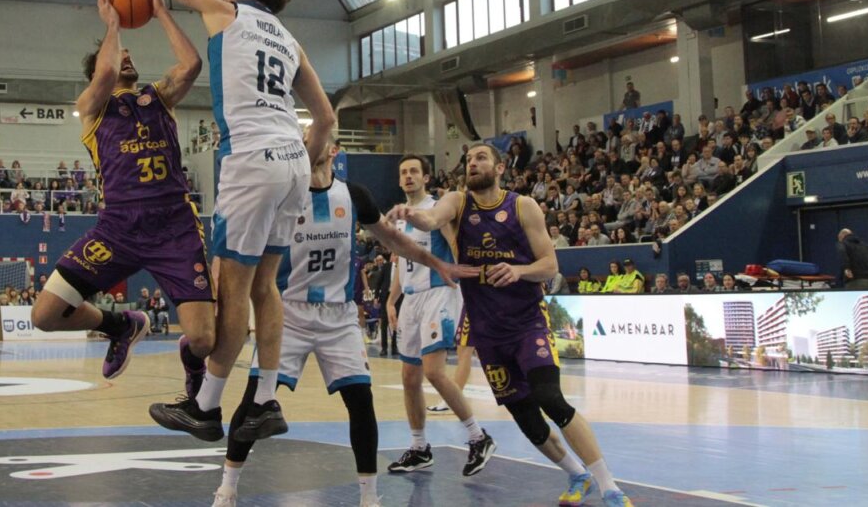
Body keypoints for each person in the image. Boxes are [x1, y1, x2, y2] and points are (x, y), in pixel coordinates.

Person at [85, 0, 336, 443]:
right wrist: (309, 170)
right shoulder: (293, 43)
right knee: (267, 287)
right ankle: (265, 399)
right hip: (292, 155)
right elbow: (328, 119)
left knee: (232, 288)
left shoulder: (228, 12)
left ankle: (206, 406)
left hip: (251, 159)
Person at [211, 144, 467, 507]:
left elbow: (392, 238)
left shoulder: (353, 194)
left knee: (361, 400)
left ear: (332, 149)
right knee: (255, 398)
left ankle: (368, 496)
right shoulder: (283, 193)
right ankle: (227, 488)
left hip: (339, 315)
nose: (307, 145)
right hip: (289, 314)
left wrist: (434, 262)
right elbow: (238, 240)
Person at [391, 143, 637, 507]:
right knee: (525, 417)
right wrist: (409, 214)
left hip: (527, 323)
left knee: (549, 398)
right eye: (469, 159)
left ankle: (610, 487)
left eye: (481, 158)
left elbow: (550, 265)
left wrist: (520, 270)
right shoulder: (458, 202)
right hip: (487, 331)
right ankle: (576, 473)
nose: (473, 163)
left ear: (500, 167)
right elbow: (429, 219)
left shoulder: (523, 206)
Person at [32, 0, 217, 403]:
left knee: (205, 339)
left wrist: (161, 11)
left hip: (173, 226)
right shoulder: (92, 107)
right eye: (120, 54)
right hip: (117, 228)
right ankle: (119, 325)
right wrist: (113, 23)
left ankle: (192, 360)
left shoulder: (158, 98)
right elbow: (108, 73)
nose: (126, 56)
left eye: (129, 53)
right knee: (44, 316)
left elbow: (190, 64)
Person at [386, 154, 496, 477]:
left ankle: (479, 436)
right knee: (409, 378)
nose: (408, 176)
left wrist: (468, 281)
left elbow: (456, 247)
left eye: (414, 172)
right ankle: (420, 448)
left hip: (439, 293)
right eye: (403, 172)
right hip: (411, 299)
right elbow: (399, 263)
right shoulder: (400, 218)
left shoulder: (438, 210)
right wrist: (392, 300)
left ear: (426, 178)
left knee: (434, 372)